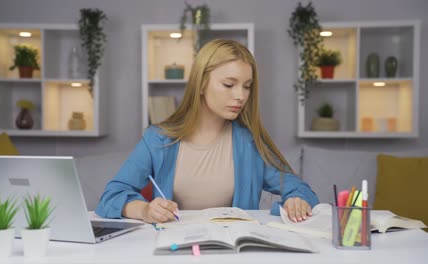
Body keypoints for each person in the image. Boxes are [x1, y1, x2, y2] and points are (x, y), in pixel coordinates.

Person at [96, 39, 319, 224]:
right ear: (201, 84)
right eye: (229, 85)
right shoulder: (158, 139)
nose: (241, 96)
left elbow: (301, 190)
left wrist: (296, 200)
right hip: (175, 251)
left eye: (247, 86)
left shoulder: (250, 142)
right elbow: (110, 197)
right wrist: (145, 211)